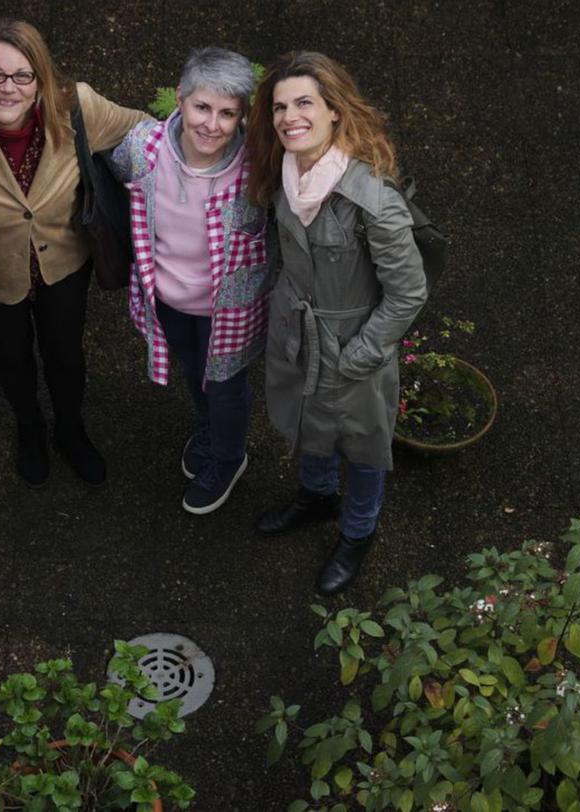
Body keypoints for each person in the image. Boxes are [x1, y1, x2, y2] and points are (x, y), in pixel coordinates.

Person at [0, 19, 148, 489]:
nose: (8, 89)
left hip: (63, 260)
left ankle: (70, 429)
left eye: (23, 76)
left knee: (66, 354)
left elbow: (143, 130)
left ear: (41, 77)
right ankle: (30, 429)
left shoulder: (76, 107)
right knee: (12, 355)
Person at [245, 52, 427, 594]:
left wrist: (361, 355)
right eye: (280, 106)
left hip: (352, 345)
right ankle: (318, 496)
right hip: (297, 333)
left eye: (304, 103)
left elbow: (409, 291)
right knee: (308, 423)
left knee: (364, 445)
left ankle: (358, 531)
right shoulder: (284, 172)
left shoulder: (371, 199)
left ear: (334, 112)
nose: (288, 116)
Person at [107, 48, 269, 515]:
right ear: (180, 98)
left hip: (231, 311)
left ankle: (228, 457)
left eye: (227, 114)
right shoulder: (143, 148)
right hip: (170, 301)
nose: (211, 125)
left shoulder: (258, 168)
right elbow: (114, 173)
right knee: (194, 374)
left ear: (241, 117)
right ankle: (208, 428)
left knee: (227, 388)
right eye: (202, 107)